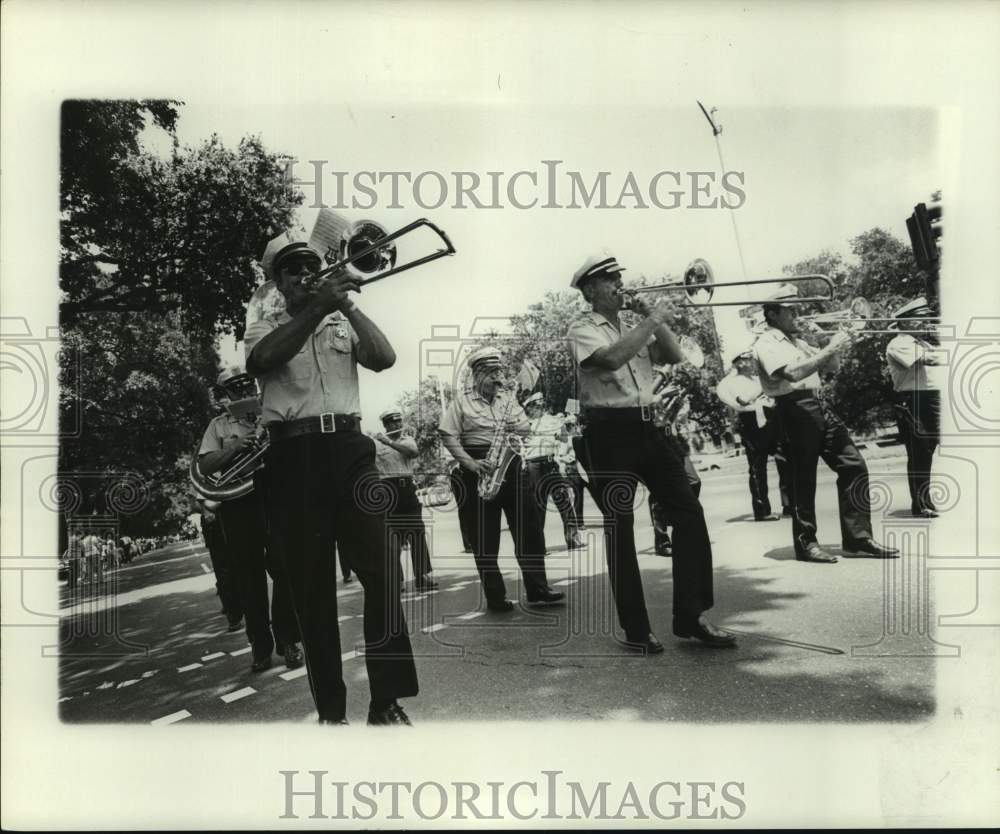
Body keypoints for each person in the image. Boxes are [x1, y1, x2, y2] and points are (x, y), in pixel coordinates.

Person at [245, 229, 418, 726]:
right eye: (294, 269)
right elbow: (261, 362)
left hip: (350, 448)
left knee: (384, 572)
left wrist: (349, 306)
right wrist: (317, 308)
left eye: (310, 265)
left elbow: (384, 359)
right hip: (294, 454)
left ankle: (386, 700)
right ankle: (332, 713)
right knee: (311, 588)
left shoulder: (341, 319)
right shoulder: (264, 324)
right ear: (277, 281)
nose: (306, 274)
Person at [567, 253, 735, 652]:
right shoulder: (581, 327)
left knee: (689, 513)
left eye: (619, 277)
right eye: (610, 280)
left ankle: (691, 616)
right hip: (607, 433)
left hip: (647, 426)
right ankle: (636, 629)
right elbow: (609, 359)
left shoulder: (633, 325)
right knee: (620, 529)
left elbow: (676, 357)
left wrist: (655, 321)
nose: (619, 284)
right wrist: (651, 320)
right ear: (590, 290)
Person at [753, 285, 899, 562]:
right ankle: (806, 543)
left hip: (817, 404)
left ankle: (858, 539)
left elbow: (832, 367)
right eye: (790, 310)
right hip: (792, 408)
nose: (797, 314)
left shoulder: (797, 341)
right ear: (772, 314)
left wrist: (833, 342)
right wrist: (831, 346)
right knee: (803, 480)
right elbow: (793, 373)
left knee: (853, 464)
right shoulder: (766, 342)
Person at [438, 347, 566, 611]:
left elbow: (526, 428)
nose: (498, 377)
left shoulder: (507, 398)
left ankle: (538, 589)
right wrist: (471, 463)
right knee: (484, 538)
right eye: (491, 372)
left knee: (529, 530)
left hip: (511, 463)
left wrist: (515, 426)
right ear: (476, 374)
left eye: (499, 371)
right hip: (478, 466)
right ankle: (496, 597)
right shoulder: (461, 401)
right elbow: (448, 435)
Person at [197, 367, 304, 671]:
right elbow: (205, 466)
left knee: (285, 569)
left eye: (246, 385)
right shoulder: (218, 426)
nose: (243, 390)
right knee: (249, 577)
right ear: (225, 393)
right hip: (238, 505)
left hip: (273, 497)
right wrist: (233, 447)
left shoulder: (272, 411)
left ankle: (289, 640)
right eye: (235, 387)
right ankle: (260, 647)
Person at [715, 351, 793, 521]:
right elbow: (743, 400)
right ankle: (762, 510)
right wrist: (764, 387)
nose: (751, 362)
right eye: (746, 359)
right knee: (758, 467)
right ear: (738, 363)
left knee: (785, 460)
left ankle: (789, 504)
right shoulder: (735, 382)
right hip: (751, 422)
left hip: (769, 418)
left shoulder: (756, 379)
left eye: (750, 359)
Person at [885, 298, 943, 518]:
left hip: (928, 398)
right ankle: (919, 503)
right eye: (920, 318)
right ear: (907, 321)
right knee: (919, 451)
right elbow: (930, 360)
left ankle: (925, 498)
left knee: (927, 449)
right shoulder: (900, 342)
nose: (926, 321)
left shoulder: (920, 341)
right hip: (913, 400)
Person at [373, 409, 439, 591]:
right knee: (392, 537)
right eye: (393, 423)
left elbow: (413, 452)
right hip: (387, 491)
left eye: (399, 422)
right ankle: (397, 580)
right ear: (386, 425)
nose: (397, 425)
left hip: (406, 489)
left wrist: (388, 441)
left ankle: (422, 577)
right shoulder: (375, 445)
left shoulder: (406, 440)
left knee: (417, 533)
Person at [522, 392, 585, 551]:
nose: (539, 407)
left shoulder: (551, 420)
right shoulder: (523, 423)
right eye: (536, 405)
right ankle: (538, 547)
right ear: (529, 407)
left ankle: (573, 540)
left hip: (550, 463)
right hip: (533, 465)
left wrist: (569, 423)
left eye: (541, 404)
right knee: (538, 506)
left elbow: (564, 438)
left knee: (563, 501)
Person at [647, 387, 702, 557]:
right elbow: (652, 415)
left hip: (672, 439)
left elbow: (671, 418)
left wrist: (679, 403)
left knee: (694, 481)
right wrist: (662, 395)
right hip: (655, 438)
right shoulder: (649, 388)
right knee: (658, 494)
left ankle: (676, 516)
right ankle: (661, 541)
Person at [196, 496, 244, 632]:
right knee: (224, 572)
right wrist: (206, 510)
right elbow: (193, 503)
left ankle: (253, 610)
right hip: (215, 522)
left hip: (235, 514)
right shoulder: (200, 476)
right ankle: (233, 615)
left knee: (245, 566)